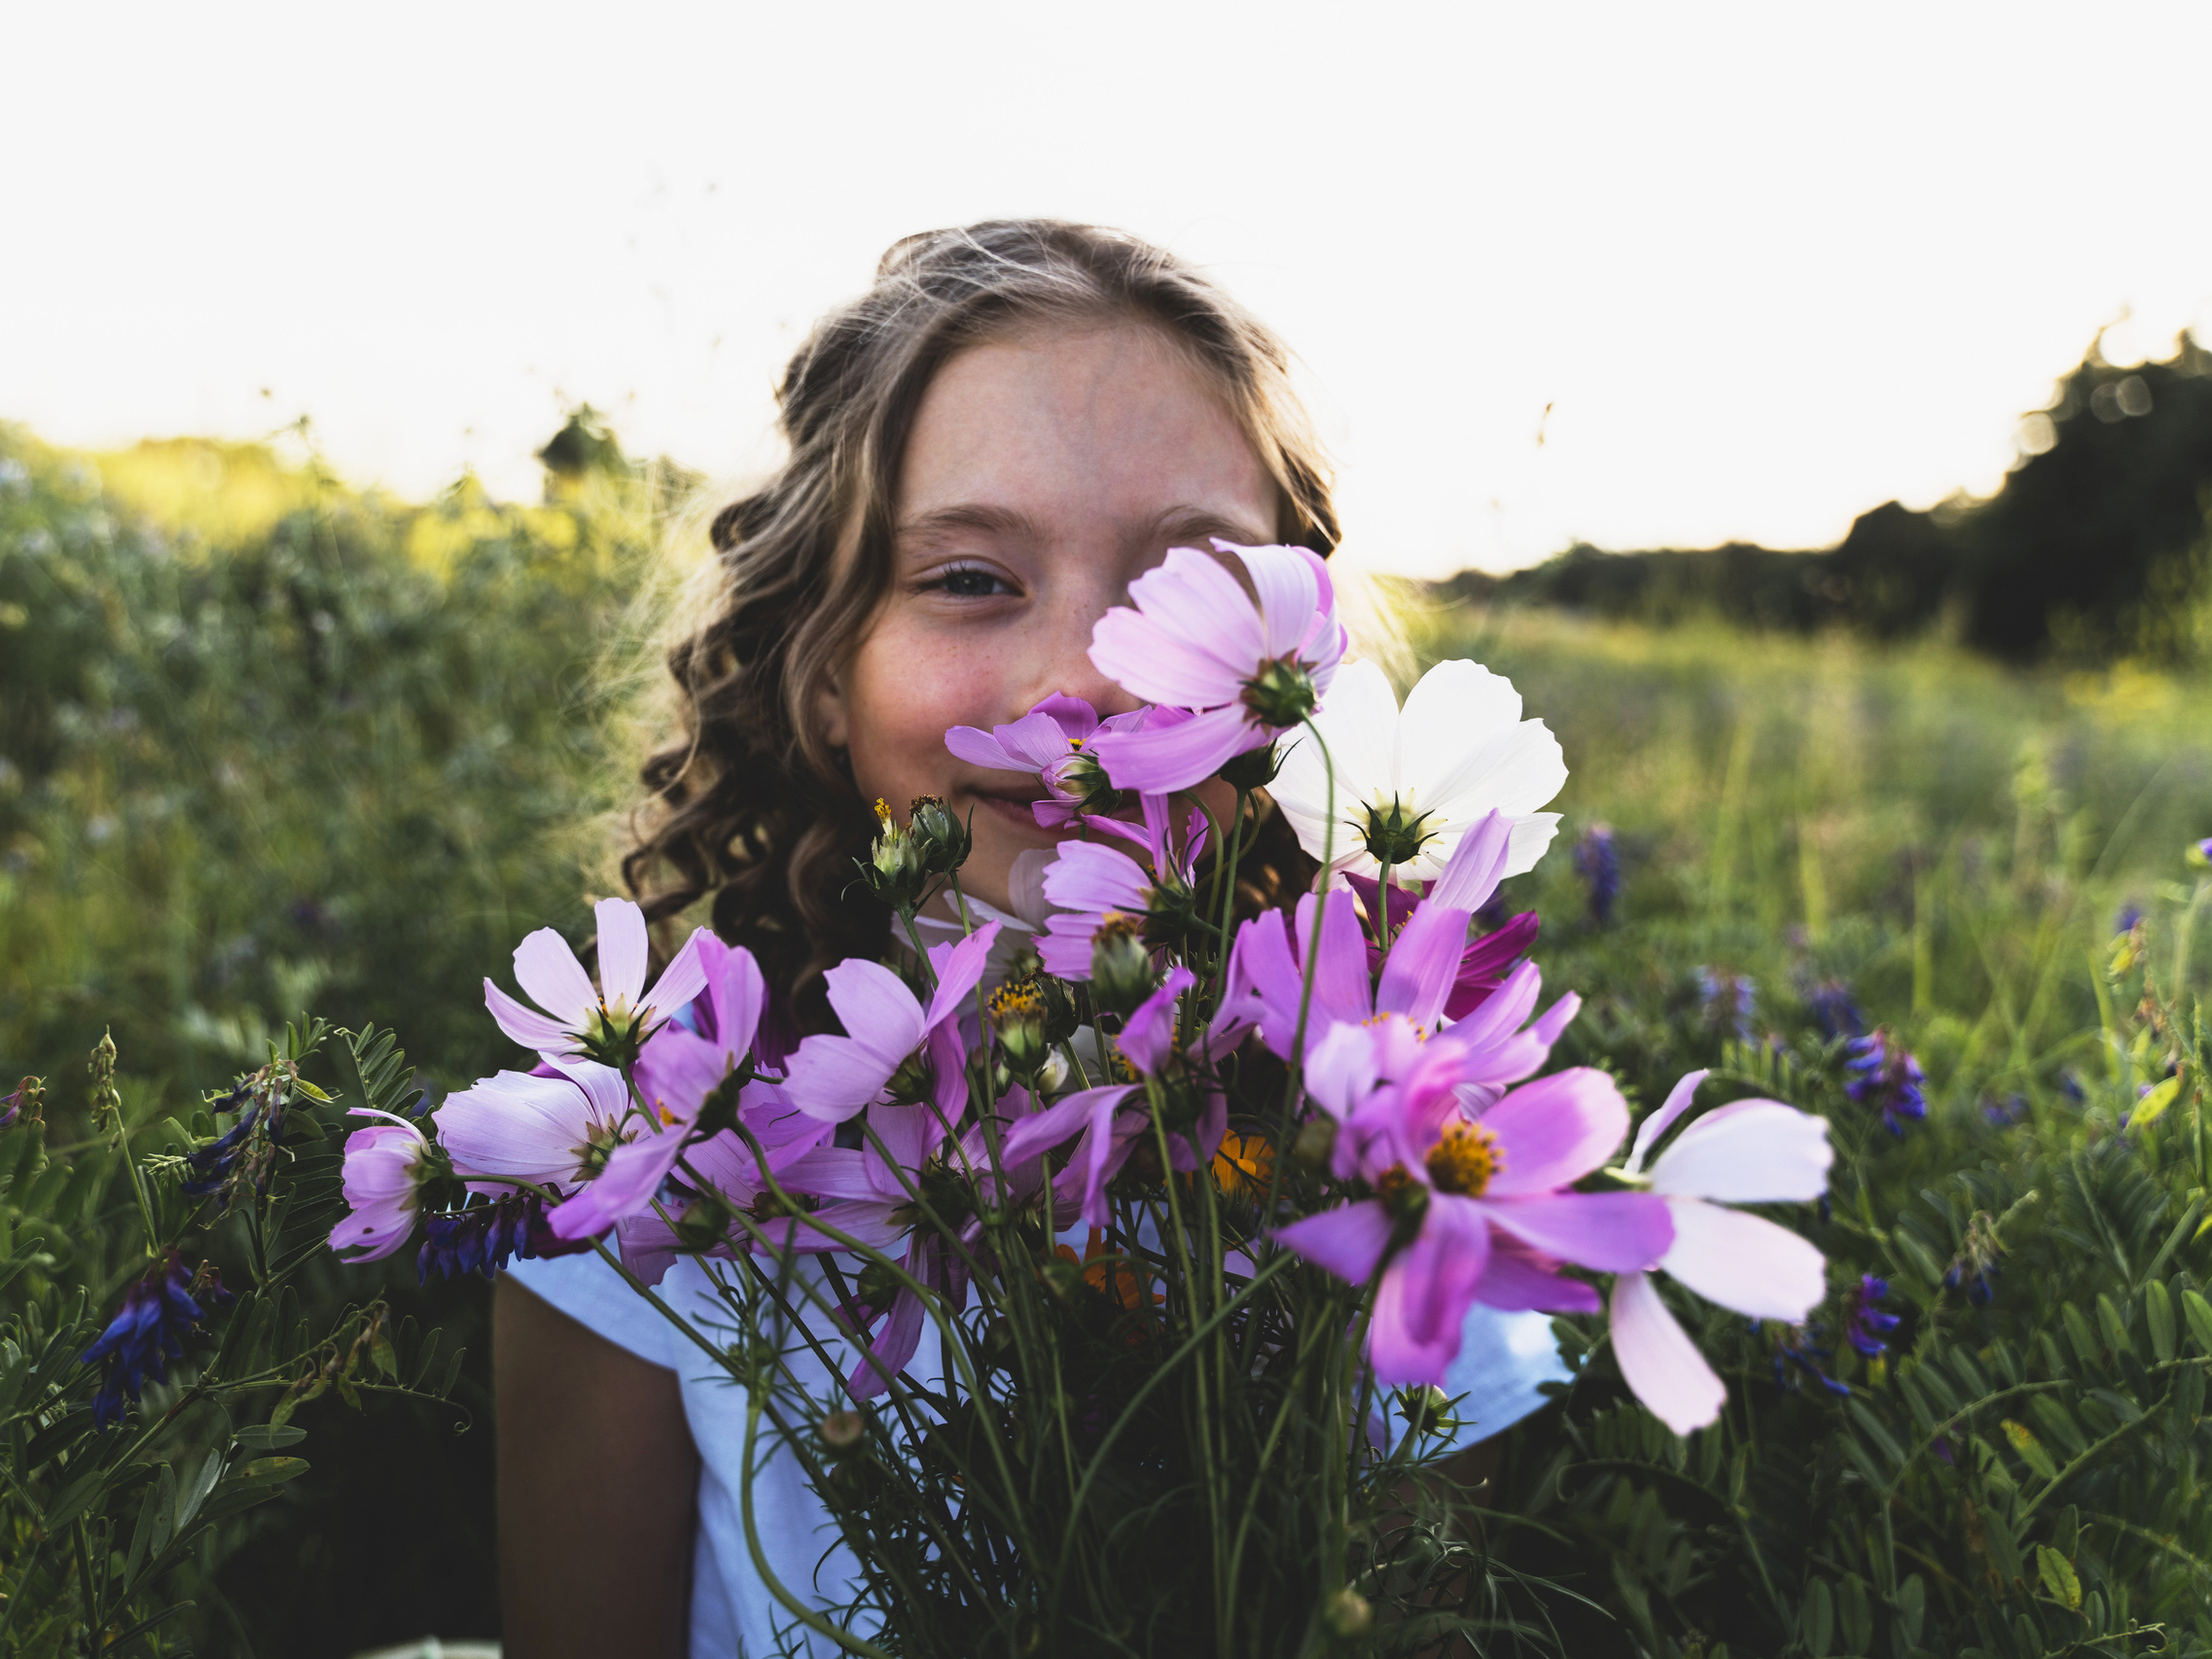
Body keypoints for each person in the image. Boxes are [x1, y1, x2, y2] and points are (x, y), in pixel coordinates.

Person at [493, 219, 1567, 1658]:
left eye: (1193, 586)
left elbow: (1417, 1617)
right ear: (817, 668)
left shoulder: (1403, 1155)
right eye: (971, 580)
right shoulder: (645, 1181)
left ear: (1301, 671)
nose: (1085, 680)